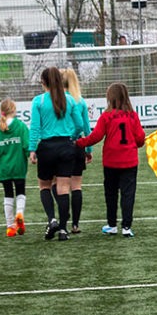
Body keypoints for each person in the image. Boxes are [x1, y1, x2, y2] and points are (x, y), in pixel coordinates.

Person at [28, 66, 90, 241]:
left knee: (44, 186)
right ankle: (63, 230)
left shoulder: (38, 101)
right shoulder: (70, 100)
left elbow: (35, 128)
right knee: (63, 188)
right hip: (65, 146)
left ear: (44, 82)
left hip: (47, 147)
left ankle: (52, 219)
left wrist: (32, 149)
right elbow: (79, 125)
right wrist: (70, 137)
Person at [77, 82, 146, 236]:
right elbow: (140, 138)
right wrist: (139, 143)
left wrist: (79, 143)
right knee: (128, 194)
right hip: (129, 161)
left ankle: (112, 224)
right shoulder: (132, 116)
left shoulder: (106, 116)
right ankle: (127, 227)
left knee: (111, 193)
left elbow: (96, 136)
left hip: (111, 162)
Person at [0, 98, 30, 236]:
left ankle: (10, 226)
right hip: (18, 166)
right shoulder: (21, 126)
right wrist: (29, 156)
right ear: (14, 111)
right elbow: (26, 145)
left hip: (3, 168)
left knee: (7, 194)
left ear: (1, 112)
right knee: (20, 191)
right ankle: (19, 213)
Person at [61, 68, 90, 234]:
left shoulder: (57, 100)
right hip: (78, 145)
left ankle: (62, 216)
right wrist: (89, 148)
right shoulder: (80, 101)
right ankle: (75, 224)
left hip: (62, 145)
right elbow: (86, 127)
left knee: (57, 184)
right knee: (76, 186)